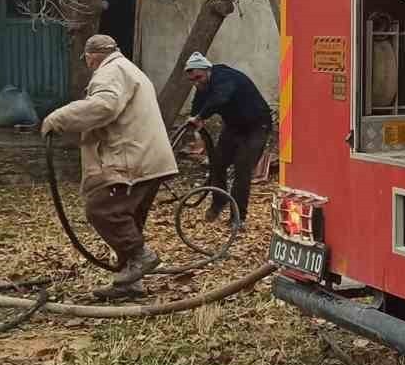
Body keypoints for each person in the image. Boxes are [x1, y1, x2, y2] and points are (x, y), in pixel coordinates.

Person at [42, 34, 178, 299]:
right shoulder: (129, 69)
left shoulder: (110, 71)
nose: (88, 63)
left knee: (102, 210)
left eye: (87, 59)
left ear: (92, 56)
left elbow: (104, 106)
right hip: (149, 158)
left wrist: (58, 118)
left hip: (132, 158)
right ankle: (130, 283)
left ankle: (141, 256)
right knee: (129, 220)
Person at [183, 52, 271, 224]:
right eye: (192, 80)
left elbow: (220, 98)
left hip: (256, 127)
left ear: (208, 70)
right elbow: (197, 105)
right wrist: (194, 118)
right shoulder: (203, 85)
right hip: (234, 127)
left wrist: (201, 116)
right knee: (217, 164)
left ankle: (238, 217)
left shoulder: (225, 77)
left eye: (198, 78)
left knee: (242, 170)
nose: (196, 83)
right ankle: (219, 201)